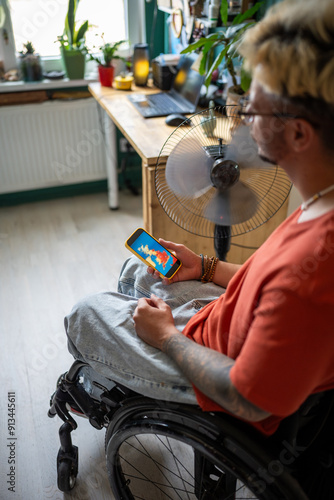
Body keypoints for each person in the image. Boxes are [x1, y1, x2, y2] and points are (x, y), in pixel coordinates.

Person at [65, 0, 334, 437]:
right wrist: (205, 266)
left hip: (215, 372)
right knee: (141, 267)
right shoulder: (322, 199)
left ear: (299, 133)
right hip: (219, 325)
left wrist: (167, 338)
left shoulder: (311, 269)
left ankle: (123, 368)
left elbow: (248, 398)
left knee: (85, 312)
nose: (241, 114)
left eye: (254, 105)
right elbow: (264, 283)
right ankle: (131, 355)